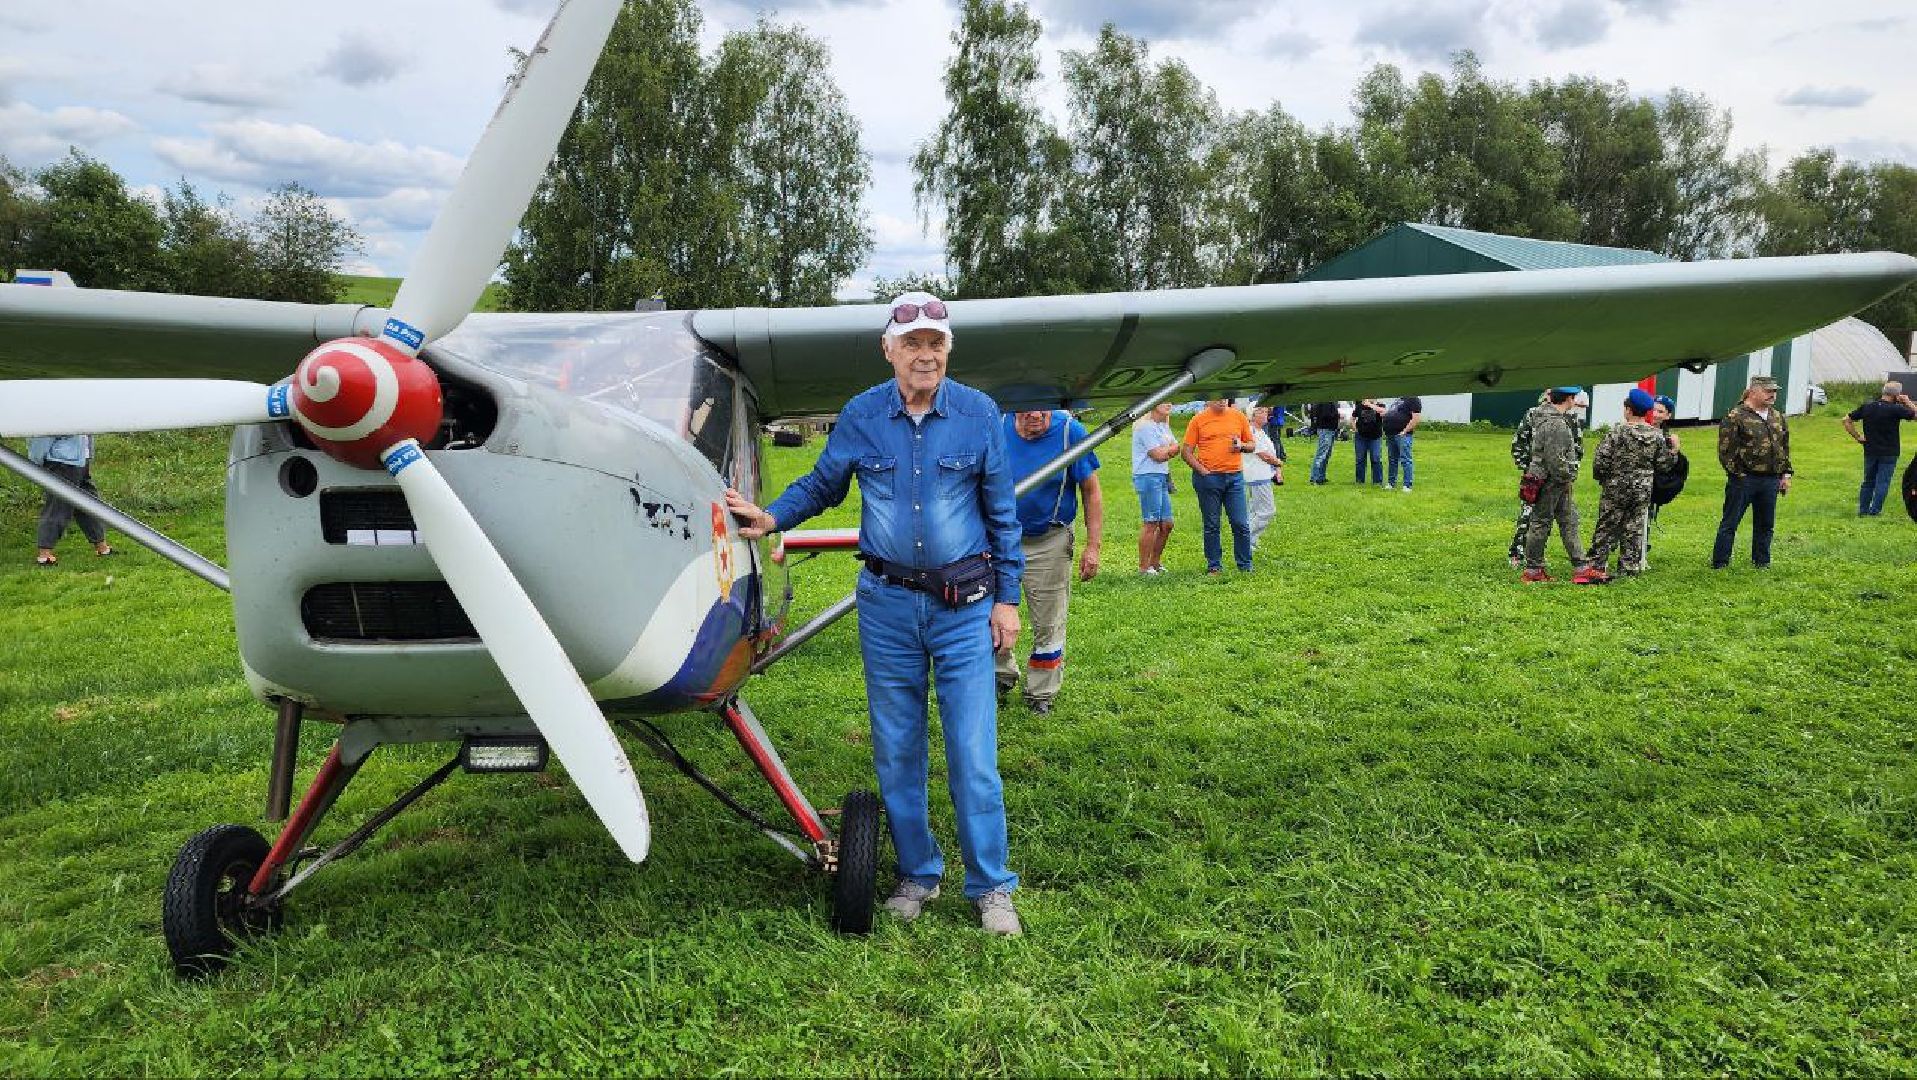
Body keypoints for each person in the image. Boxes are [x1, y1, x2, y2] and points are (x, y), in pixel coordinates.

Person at [723, 291, 1026, 935]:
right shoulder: (862, 414)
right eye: (912, 343)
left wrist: (1007, 599)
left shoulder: (979, 414)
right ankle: (917, 875)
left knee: (973, 752)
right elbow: (824, 484)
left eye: (936, 344)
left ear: (948, 351)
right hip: (887, 608)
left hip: (964, 608)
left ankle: (992, 887)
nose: (925, 355)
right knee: (896, 750)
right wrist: (773, 516)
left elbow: (1003, 515)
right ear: (888, 349)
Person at [995, 409, 1102, 715]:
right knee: (991, 613)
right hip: (1000, 540)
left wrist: (1093, 546)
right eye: (1028, 409)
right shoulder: (996, 427)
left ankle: (1041, 692)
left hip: (1048, 541)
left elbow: (1091, 491)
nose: (1036, 415)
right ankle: (1000, 676)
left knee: (1049, 621)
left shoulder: (1070, 431)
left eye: (1043, 408)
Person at [1579, 388, 1673, 582]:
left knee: (1607, 525)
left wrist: (1603, 479)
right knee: (1634, 527)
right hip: (1642, 488)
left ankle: (1597, 565)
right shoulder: (1656, 435)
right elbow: (1664, 465)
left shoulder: (1616, 432)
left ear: (1628, 410)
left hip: (1616, 486)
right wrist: (1674, 452)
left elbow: (1600, 461)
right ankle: (1629, 567)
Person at [1711, 374, 1793, 570]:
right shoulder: (1736, 416)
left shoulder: (1777, 416)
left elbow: (1783, 447)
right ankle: (1720, 562)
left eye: (1774, 391)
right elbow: (1726, 451)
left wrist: (1785, 474)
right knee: (1730, 522)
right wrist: (1739, 475)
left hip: (1771, 479)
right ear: (1753, 392)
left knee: (1766, 524)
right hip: (1745, 479)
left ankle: (1761, 561)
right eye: (1768, 391)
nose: (1772, 395)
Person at [1180, 398, 1256, 574]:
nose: (1222, 401)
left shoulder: (1238, 417)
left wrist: (1242, 446)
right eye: (1218, 398)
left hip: (1234, 477)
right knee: (1212, 524)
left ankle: (1245, 565)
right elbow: (1186, 452)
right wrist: (1202, 471)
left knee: (1240, 523)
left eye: (1225, 398)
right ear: (1209, 399)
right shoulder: (1198, 419)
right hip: (1209, 478)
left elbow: (1252, 445)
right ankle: (1214, 565)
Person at [1519, 388, 1587, 582]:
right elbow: (1555, 459)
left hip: (1549, 479)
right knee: (1541, 522)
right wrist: (1566, 476)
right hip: (1552, 480)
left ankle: (1581, 567)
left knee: (1569, 519)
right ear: (1569, 398)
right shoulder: (1556, 423)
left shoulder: (1544, 416)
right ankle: (1533, 570)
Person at [27, 434, 114, 567]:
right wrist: (36, 461)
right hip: (61, 462)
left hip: (80, 460)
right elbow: (41, 436)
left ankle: (102, 547)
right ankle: (44, 555)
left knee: (89, 504)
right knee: (58, 506)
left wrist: (87, 455)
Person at [1840, 381, 1916, 516]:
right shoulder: (1896, 409)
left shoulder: (1867, 407)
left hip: (1870, 450)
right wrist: (1908, 402)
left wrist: (1858, 437)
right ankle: (1875, 511)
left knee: (1868, 481)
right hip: (1890, 452)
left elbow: (1846, 420)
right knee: (1883, 482)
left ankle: (1863, 510)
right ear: (1896, 395)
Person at [1131, 401, 1178, 574]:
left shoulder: (1163, 426)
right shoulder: (1145, 427)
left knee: (1167, 524)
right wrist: (1169, 450)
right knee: (1151, 522)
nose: (1168, 404)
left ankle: (1155, 562)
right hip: (1148, 476)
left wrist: (1167, 451)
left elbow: (1177, 447)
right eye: (1164, 401)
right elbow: (1157, 455)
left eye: (1170, 401)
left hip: (1162, 475)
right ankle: (1144, 567)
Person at [1243, 406, 1283, 547]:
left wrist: (1277, 469)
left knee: (1254, 511)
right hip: (1257, 476)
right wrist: (1278, 462)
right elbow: (1264, 455)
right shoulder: (1252, 432)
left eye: (1266, 411)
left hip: (1262, 475)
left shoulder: (1261, 432)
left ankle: (1249, 542)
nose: (1265, 414)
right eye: (1261, 411)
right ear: (1252, 415)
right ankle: (1247, 539)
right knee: (1267, 511)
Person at [1383, 394, 1422, 491]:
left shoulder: (1413, 399)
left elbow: (1416, 418)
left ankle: (1407, 485)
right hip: (1391, 434)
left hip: (1403, 435)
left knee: (1405, 459)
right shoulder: (1398, 400)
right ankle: (1391, 483)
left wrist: (1404, 431)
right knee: (1392, 460)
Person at [1305, 401, 1340, 485]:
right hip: (1326, 429)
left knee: (1326, 454)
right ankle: (1315, 477)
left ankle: (1321, 476)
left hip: (1329, 428)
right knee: (1322, 454)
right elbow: (1326, 415)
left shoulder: (1328, 401)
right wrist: (1336, 415)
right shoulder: (1326, 402)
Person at [1352, 399, 1386, 485]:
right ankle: (1359, 481)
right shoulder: (1359, 406)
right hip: (1361, 437)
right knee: (1360, 459)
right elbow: (1353, 418)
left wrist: (1370, 405)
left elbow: (1383, 412)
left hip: (1375, 437)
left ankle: (1377, 481)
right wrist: (1355, 429)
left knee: (1376, 458)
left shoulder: (1380, 405)